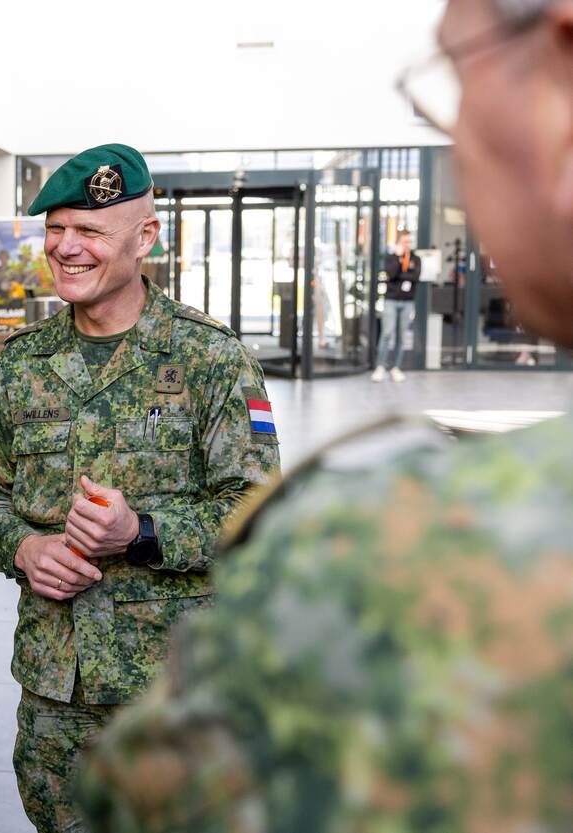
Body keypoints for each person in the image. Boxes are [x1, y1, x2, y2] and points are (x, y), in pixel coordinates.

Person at [76, 0, 573, 829]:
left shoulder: (395, 551)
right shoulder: (24, 362)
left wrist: (147, 535)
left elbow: (149, 799)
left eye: (452, 85)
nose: (456, 140)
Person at [0, 143, 281, 833]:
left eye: (89, 231)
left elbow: (262, 517)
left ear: (146, 238)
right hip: (58, 700)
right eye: (56, 228)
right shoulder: (20, 367)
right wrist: (24, 549)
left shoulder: (211, 359)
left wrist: (141, 531)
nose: (66, 248)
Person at [371, 228, 422, 381]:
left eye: (409, 242)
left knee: (402, 336)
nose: (408, 245)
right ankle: (380, 366)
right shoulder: (391, 257)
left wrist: (402, 275)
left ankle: (396, 367)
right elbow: (391, 274)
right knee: (387, 333)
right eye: (405, 242)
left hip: (407, 302)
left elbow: (415, 276)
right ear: (399, 242)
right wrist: (400, 259)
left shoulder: (416, 259)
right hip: (391, 300)